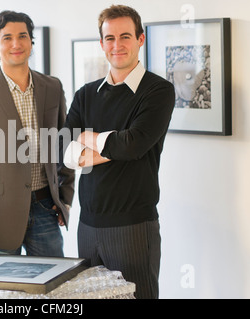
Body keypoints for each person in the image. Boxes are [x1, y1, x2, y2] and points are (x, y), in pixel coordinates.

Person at [62, 5, 175, 299]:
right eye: (109, 38)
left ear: (140, 39)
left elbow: (135, 144)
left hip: (133, 227)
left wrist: (87, 137)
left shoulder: (157, 91)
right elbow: (63, 148)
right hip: (87, 227)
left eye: (125, 36)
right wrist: (115, 145)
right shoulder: (85, 94)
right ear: (101, 44)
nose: (117, 45)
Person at [0, 10, 74, 257]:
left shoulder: (53, 87)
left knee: (51, 287)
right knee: (2, 290)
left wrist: (66, 198)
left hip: (46, 210)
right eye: (7, 38)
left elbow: (65, 145)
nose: (16, 44)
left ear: (31, 42)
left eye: (23, 36)